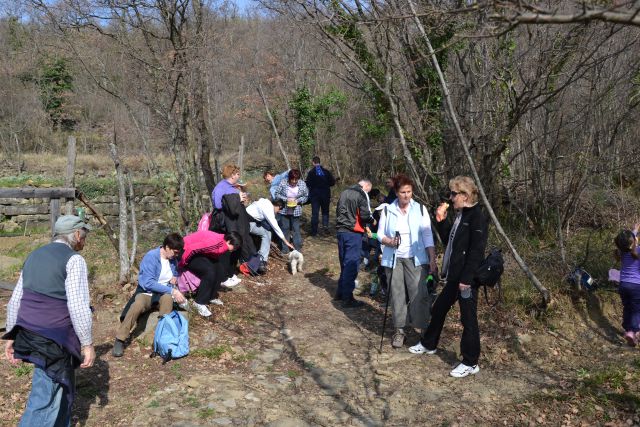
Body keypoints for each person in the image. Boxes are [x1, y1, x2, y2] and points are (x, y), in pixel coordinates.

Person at [3, 215, 95, 426]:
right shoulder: (74, 260)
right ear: (77, 234)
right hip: (53, 339)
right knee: (45, 400)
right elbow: (78, 305)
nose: (84, 241)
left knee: (62, 388)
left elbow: (16, 299)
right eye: (84, 236)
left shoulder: (34, 255)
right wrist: (87, 343)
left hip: (29, 331)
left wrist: (11, 335)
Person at [409, 176, 488, 378]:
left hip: (466, 279)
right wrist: (442, 223)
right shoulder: (461, 215)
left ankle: (471, 362)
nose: (451, 198)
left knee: (468, 319)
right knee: (439, 308)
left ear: (465, 195)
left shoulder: (476, 217)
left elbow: (476, 251)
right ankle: (429, 344)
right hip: (455, 276)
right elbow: (450, 243)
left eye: (454, 194)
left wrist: (467, 279)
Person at [377, 174, 437, 348]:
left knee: (419, 294)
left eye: (409, 192)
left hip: (416, 258)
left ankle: (423, 328)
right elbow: (380, 234)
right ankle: (399, 331)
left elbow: (427, 235)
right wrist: (388, 241)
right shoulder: (388, 210)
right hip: (394, 258)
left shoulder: (420, 209)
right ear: (396, 192)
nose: (406, 195)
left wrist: (432, 258)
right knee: (397, 295)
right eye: (403, 192)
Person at [113, 233, 185, 357]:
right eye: (175, 252)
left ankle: (162, 340)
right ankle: (120, 339)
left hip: (164, 293)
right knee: (137, 305)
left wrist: (175, 277)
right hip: (147, 292)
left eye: (178, 252)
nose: (177, 255)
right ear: (167, 247)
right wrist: (173, 291)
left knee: (167, 300)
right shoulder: (151, 257)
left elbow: (174, 272)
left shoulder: (173, 259)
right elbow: (148, 283)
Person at [179, 230, 242, 317]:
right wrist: (182, 263)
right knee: (209, 271)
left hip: (196, 253)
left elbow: (212, 254)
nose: (235, 249)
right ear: (228, 241)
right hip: (184, 251)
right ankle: (199, 303)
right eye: (235, 246)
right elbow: (192, 248)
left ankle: (210, 296)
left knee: (220, 270)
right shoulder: (216, 242)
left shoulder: (223, 243)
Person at [335, 179, 373, 307]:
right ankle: (347, 298)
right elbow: (364, 215)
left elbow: (338, 211)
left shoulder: (344, 192)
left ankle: (340, 293)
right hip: (353, 232)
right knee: (351, 264)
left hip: (341, 231)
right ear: (365, 186)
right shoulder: (360, 194)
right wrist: (372, 221)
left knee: (344, 263)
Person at [246, 198, 295, 272]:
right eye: (279, 210)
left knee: (267, 232)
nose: (278, 212)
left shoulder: (266, 201)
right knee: (267, 234)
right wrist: (286, 242)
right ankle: (262, 262)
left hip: (248, 221)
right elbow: (275, 227)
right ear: (278, 206)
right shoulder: (268, 209)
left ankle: (262, 260)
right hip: (246, 224)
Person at [614, 226, 640, 346]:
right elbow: (632, 242)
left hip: (623, 285)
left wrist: (635, 230)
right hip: (636, 286)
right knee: (636, 309)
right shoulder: (638, 251)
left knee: (627, 307)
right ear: (633, 242)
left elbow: (626, 241)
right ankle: (633, 331)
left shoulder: (621, 251)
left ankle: (627, 328)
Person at [275, 169, 309, 253]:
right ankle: (285, 249)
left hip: (296, 210)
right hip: (284, 210)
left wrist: (298, 201)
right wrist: (286, 199)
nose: (294, 181)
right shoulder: (283, 182)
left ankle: (297, 248)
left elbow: (306, 196)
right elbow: (276, 194)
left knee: (295, 229)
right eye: (292, 179)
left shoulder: (302, 184)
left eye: (296, 179)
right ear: (289, 178)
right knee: (285, 229)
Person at [305, 156, 336, 236]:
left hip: (315, 196)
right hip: (325, 195)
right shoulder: (326, 171)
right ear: (319, 162)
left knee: (315, 213)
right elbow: (332, 182)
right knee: (325, 212)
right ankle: (325, 229)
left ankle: (314, 231)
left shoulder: (311, 172)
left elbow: (307, 184)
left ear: (313, 162)